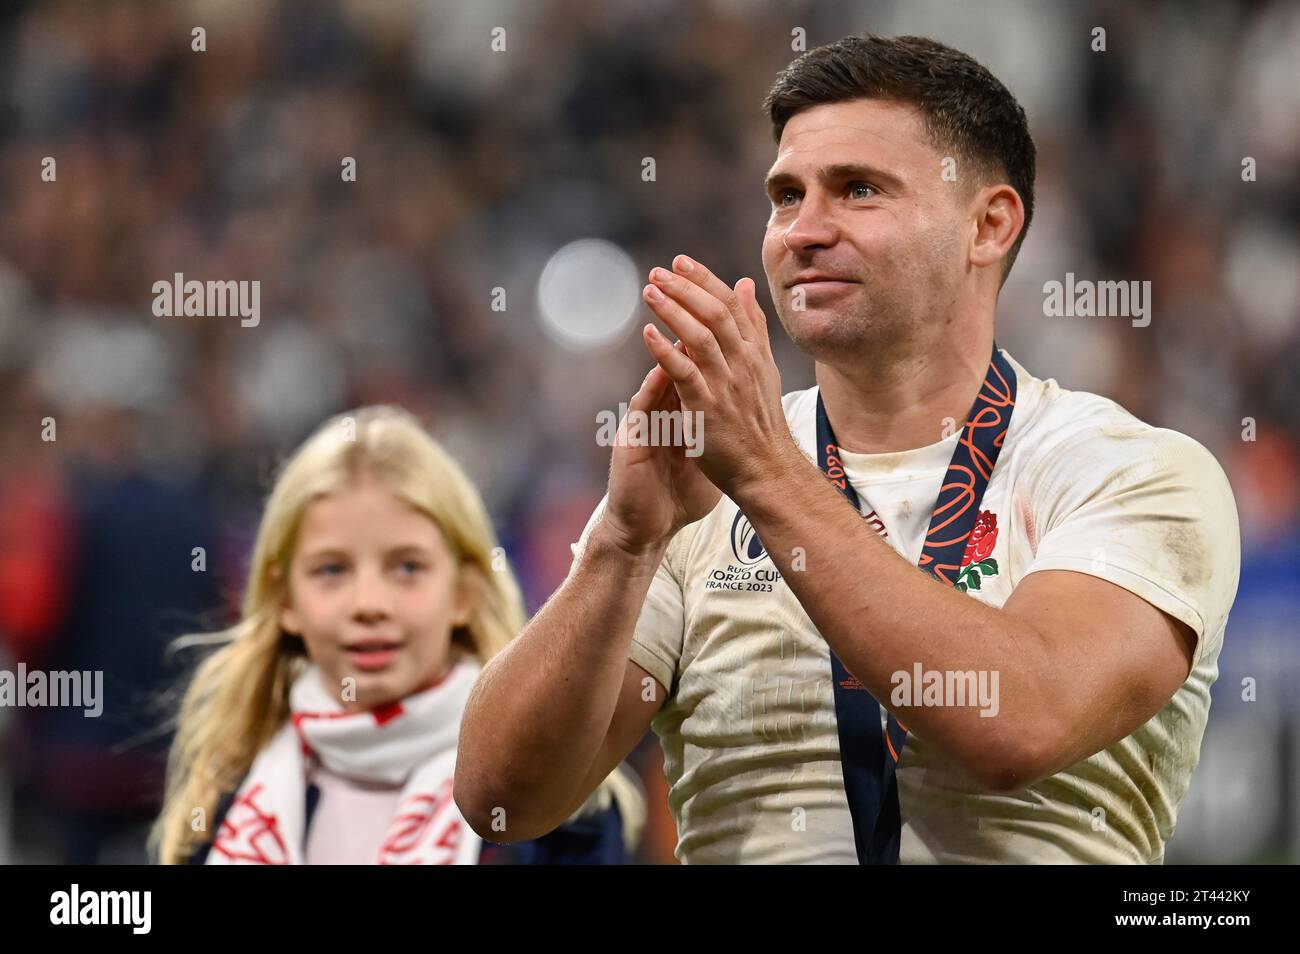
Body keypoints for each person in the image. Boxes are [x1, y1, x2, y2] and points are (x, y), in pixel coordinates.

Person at [454, 34, 1240, 864]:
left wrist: (764, 474)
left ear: (989, 224)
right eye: (785, 196)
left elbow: (1020, 723)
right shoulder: (701, 488)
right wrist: (621, 542)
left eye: (857, 190)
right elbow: (502, 802)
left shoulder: (1133, 472)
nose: (804, 230)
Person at [153, 405, 643, 864]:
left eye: (407, 567)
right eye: (331, 570)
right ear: (285, 602)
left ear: (463, 592)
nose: (370, 604)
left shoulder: (560, 813)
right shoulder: (221, 803)